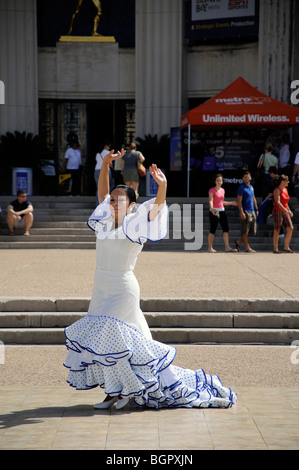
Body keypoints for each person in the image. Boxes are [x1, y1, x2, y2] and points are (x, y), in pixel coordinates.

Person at [63, 148, 237, 410]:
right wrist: (106, 165)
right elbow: (101, 193)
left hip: (123, 288)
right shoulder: (104, 218)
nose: (112, 203)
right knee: (107, 342)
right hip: (101, 287)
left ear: (132, 204)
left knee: (113, 336)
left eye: (119, 200)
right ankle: (115, 391)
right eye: (112, 199)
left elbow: (156, 209)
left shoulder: (137, 222)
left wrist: (162, 186)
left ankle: (124, 392)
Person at [208, 173, 238, 252]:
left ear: (222, 181)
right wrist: (212, 209)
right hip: (214, 211)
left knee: (226, 229)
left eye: (220, 180)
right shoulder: (212, 190)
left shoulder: (223, 190)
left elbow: (221, 202)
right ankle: (210, 247)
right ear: (215, 181)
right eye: (218, 180)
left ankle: (227, 247)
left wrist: (231, 203)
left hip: (222, 211)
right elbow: (211, 201)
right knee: (212, 229)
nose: (219, 182)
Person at [235, 171, 259, 253]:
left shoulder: (251, 187)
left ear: (250, 178)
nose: (247, 178)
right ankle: (247, 247)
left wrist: (257, 209)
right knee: (245, 231)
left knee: (252, 231)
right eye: (245, 177)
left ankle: (239, 241)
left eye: (248, 177)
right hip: (245, 211)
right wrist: (241, 212)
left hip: (252, 211)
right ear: (242, 178)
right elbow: (239, 201)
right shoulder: (241, 188)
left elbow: (254, 198)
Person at [272, 175, 294, 254]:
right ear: (282, 181)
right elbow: (277, 202)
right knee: (277, 229)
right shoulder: (277, 190)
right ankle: (275, 248)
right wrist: (284, 209)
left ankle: (286, 246)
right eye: (286, 180)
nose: (288, 182)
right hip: (278, 211)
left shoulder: (286, 190)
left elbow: (286, 202)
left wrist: (289, 210)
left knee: (290, 227)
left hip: (285, 211)